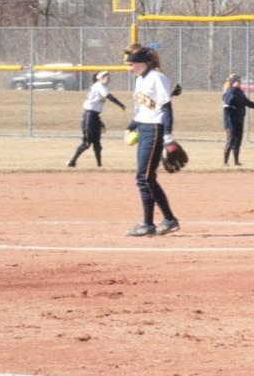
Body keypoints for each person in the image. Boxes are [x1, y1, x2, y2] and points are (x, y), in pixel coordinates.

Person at [124, 44, 187, 237]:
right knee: (147, 179)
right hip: (144, 128)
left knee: (143, 178)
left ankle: (153, 222)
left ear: (142, 62)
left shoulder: (157, 78)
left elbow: (166, 109)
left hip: (155, 130)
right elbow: (145, 109)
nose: (129, 67)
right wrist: (132, 125)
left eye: (131, 63)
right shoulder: (140, 80)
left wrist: (168, 137)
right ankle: (162, 221)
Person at [66, 70, 125, 168]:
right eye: (106, 76)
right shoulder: (99, 86)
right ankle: (72, 161)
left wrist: (99, 121)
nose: (108, 78)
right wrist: (121, 105)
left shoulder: (101, 86)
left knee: (97, 143)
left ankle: (99, 165)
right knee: (87, 143)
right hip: (89, 115)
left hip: (94, 116)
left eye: (108, 76)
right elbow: (109, 97)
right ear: (100, 78)